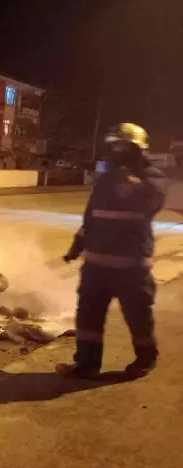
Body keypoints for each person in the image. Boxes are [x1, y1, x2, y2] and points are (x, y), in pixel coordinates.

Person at [58, 123, 166, 380]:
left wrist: (128, 177)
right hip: (96, 265)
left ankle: (146, 358)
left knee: (138, 316)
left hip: (131, 266)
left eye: (123, 146)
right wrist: (78, 243)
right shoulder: (108, 178)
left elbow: (150, 202)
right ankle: (86, 364)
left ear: (138, 149)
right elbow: (92, 216)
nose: (116, 151)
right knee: (88, 318)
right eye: (114, 146)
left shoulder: (152, 177)